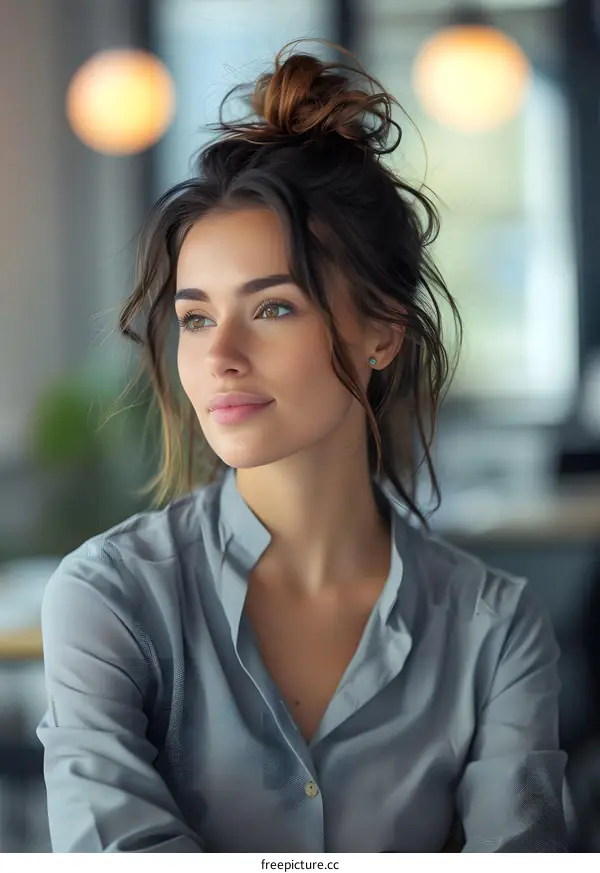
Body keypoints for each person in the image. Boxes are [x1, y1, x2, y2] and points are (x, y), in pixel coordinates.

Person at [36, 41, 568, 852]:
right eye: (196, 317)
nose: (219, 357)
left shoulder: (495, 630)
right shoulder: (110, 600)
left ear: (382, 332)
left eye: (274, 307)